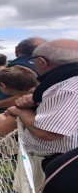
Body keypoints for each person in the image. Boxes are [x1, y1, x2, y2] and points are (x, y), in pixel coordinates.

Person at [7, 39, 78, 177]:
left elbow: (48, 133)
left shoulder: (69, 88)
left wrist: (20, 111)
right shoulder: (65, 81)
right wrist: (36, 100)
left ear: (41, 61)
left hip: (62, 166)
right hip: (59, 163)